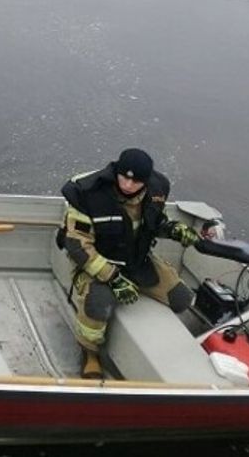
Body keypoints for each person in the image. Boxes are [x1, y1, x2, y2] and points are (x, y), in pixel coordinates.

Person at [59, 147, 202, 379]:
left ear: (145, 182)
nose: (127, 185)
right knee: (98, 303)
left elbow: (154, 221)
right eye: (124, 177)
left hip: (137, 259)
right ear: (116, 170)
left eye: (135, 181)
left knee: (181, 298)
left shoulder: (157, 190)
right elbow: (77, 247)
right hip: (97, 262)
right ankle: (90, 353)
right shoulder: (87, 193)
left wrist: (173, 230)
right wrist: (113, 278)